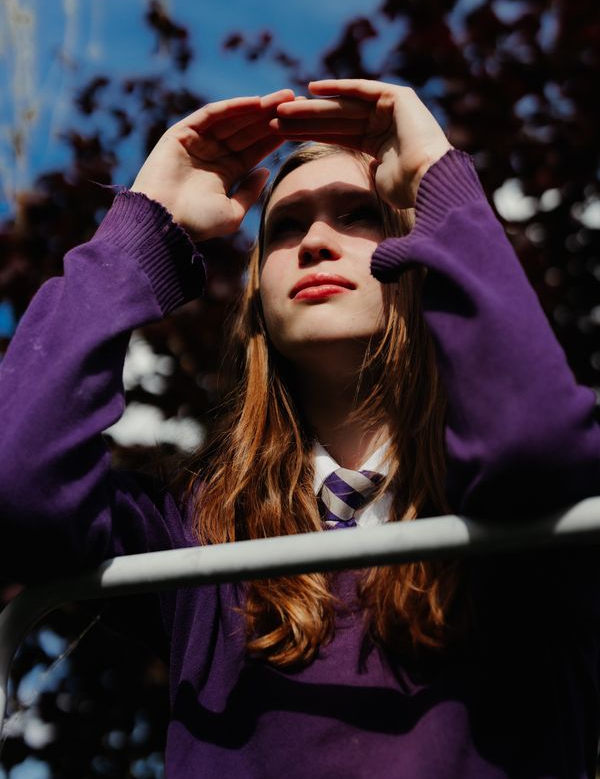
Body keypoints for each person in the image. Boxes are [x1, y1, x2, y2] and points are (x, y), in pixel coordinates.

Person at [0, 78, 599, 778]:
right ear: (257, 301)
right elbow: (17, 484)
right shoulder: (196, 533)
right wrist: (140, 228)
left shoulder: (508, 509)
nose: (315, 241)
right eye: (285, 226)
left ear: (420, 257)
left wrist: (438, 183)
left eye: (360, 214)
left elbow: (534, 446)